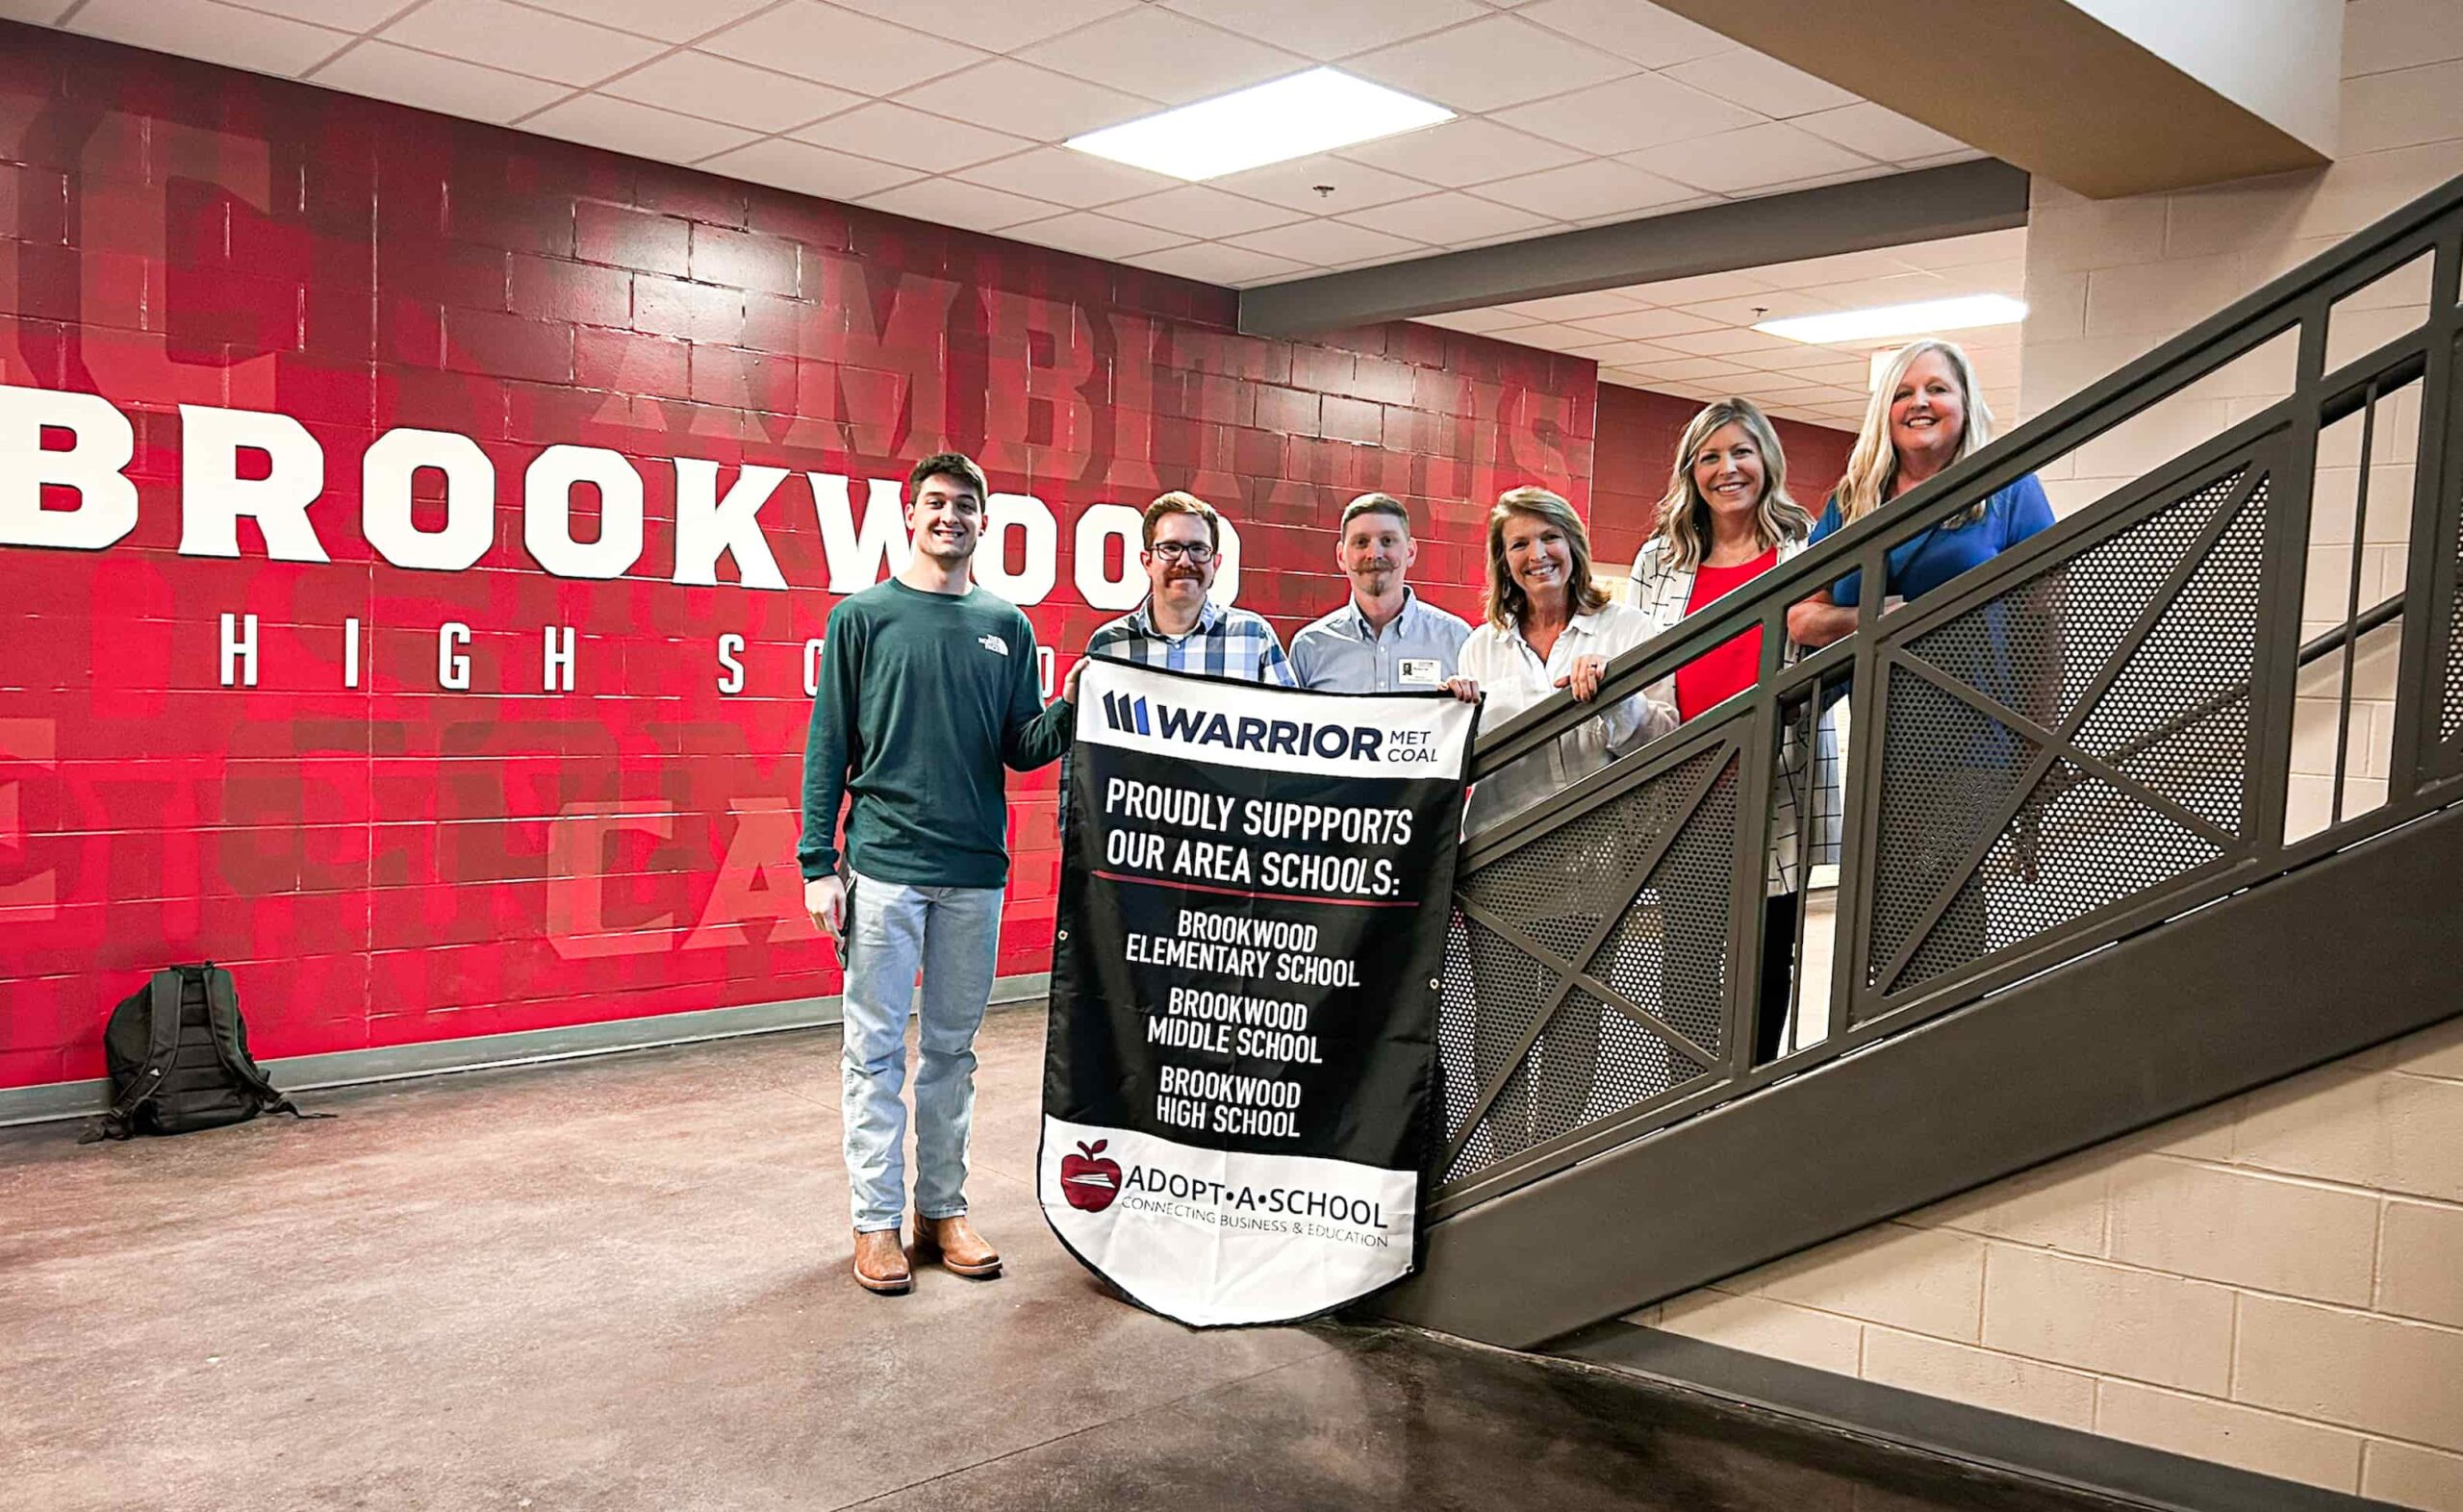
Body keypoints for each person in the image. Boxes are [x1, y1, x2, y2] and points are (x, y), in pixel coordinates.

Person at [799, 452, 1074, 1298]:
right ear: (910, 516)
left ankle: (942, 1212)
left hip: (974, 872)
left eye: (965, 505)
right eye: (937, 503)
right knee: (875, 1052)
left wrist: (1074, 702)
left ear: (984, 522)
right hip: (883, 869)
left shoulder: (1006, 625)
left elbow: (1021, 747)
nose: (950, 516)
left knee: (953, 1052)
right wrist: (818, 864)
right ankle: (876, 1222)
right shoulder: (862, 618)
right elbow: (828, 746)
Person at [1785, 339, 2056, 991]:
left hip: (1975, 735)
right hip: (1884, 733)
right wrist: (1883, 616)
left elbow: (2044, 625)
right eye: (1903, 393)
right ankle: (1892, 1037)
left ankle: (1946, 1037)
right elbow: (1801, 617)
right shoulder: (1854, 499)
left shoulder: (2007, 488)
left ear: (1966, 402)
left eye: (1937, 388)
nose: (1920, 403)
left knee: (1946, 907)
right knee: (1884, 911)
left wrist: (2041, 746)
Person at [1456, 486, 1675, 1156]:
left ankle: (1549, 1157)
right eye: (1518, 544)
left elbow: (1667, 736)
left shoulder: (1628, 629)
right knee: (1499, 1026)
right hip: (1501, 864)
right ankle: (1502, 1157)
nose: (1537, 554)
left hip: (1592, 863)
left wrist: (1618, 699)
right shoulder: (1479, 648)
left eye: (1548, 537)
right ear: (1503, 560)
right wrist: (1452, 718)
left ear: (1573, 544)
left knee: (1574, 1021)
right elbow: (1466, 762)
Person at [1623, 398, 1814, 1065]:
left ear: (1767, 460)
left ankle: (1752, 1091)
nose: (1727, 468)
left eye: (1741, 452)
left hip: (1776, 780)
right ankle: (1691, 1091)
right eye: (1709, 457)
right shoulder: (1659, 559)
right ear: (1691, 471)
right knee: (1689, 959)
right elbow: (1634, 660)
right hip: (1687, 787)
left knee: (1768, 953)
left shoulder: (1805, 547)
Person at [1082, 491, 1296, 684]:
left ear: (1216, 563)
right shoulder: (1108, 646)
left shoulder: (1254, 638)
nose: (1185, 561)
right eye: (1170, 547)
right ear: (1147, 562)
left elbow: (1291, 713)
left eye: (1198, 549)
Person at [1289, 492, 1478, 701]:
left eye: (1387, 541)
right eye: (1361, 542)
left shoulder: (1457, 639)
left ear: (1410, 552)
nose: (1374, 554)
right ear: (1341, 556)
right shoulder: (1309, 648)